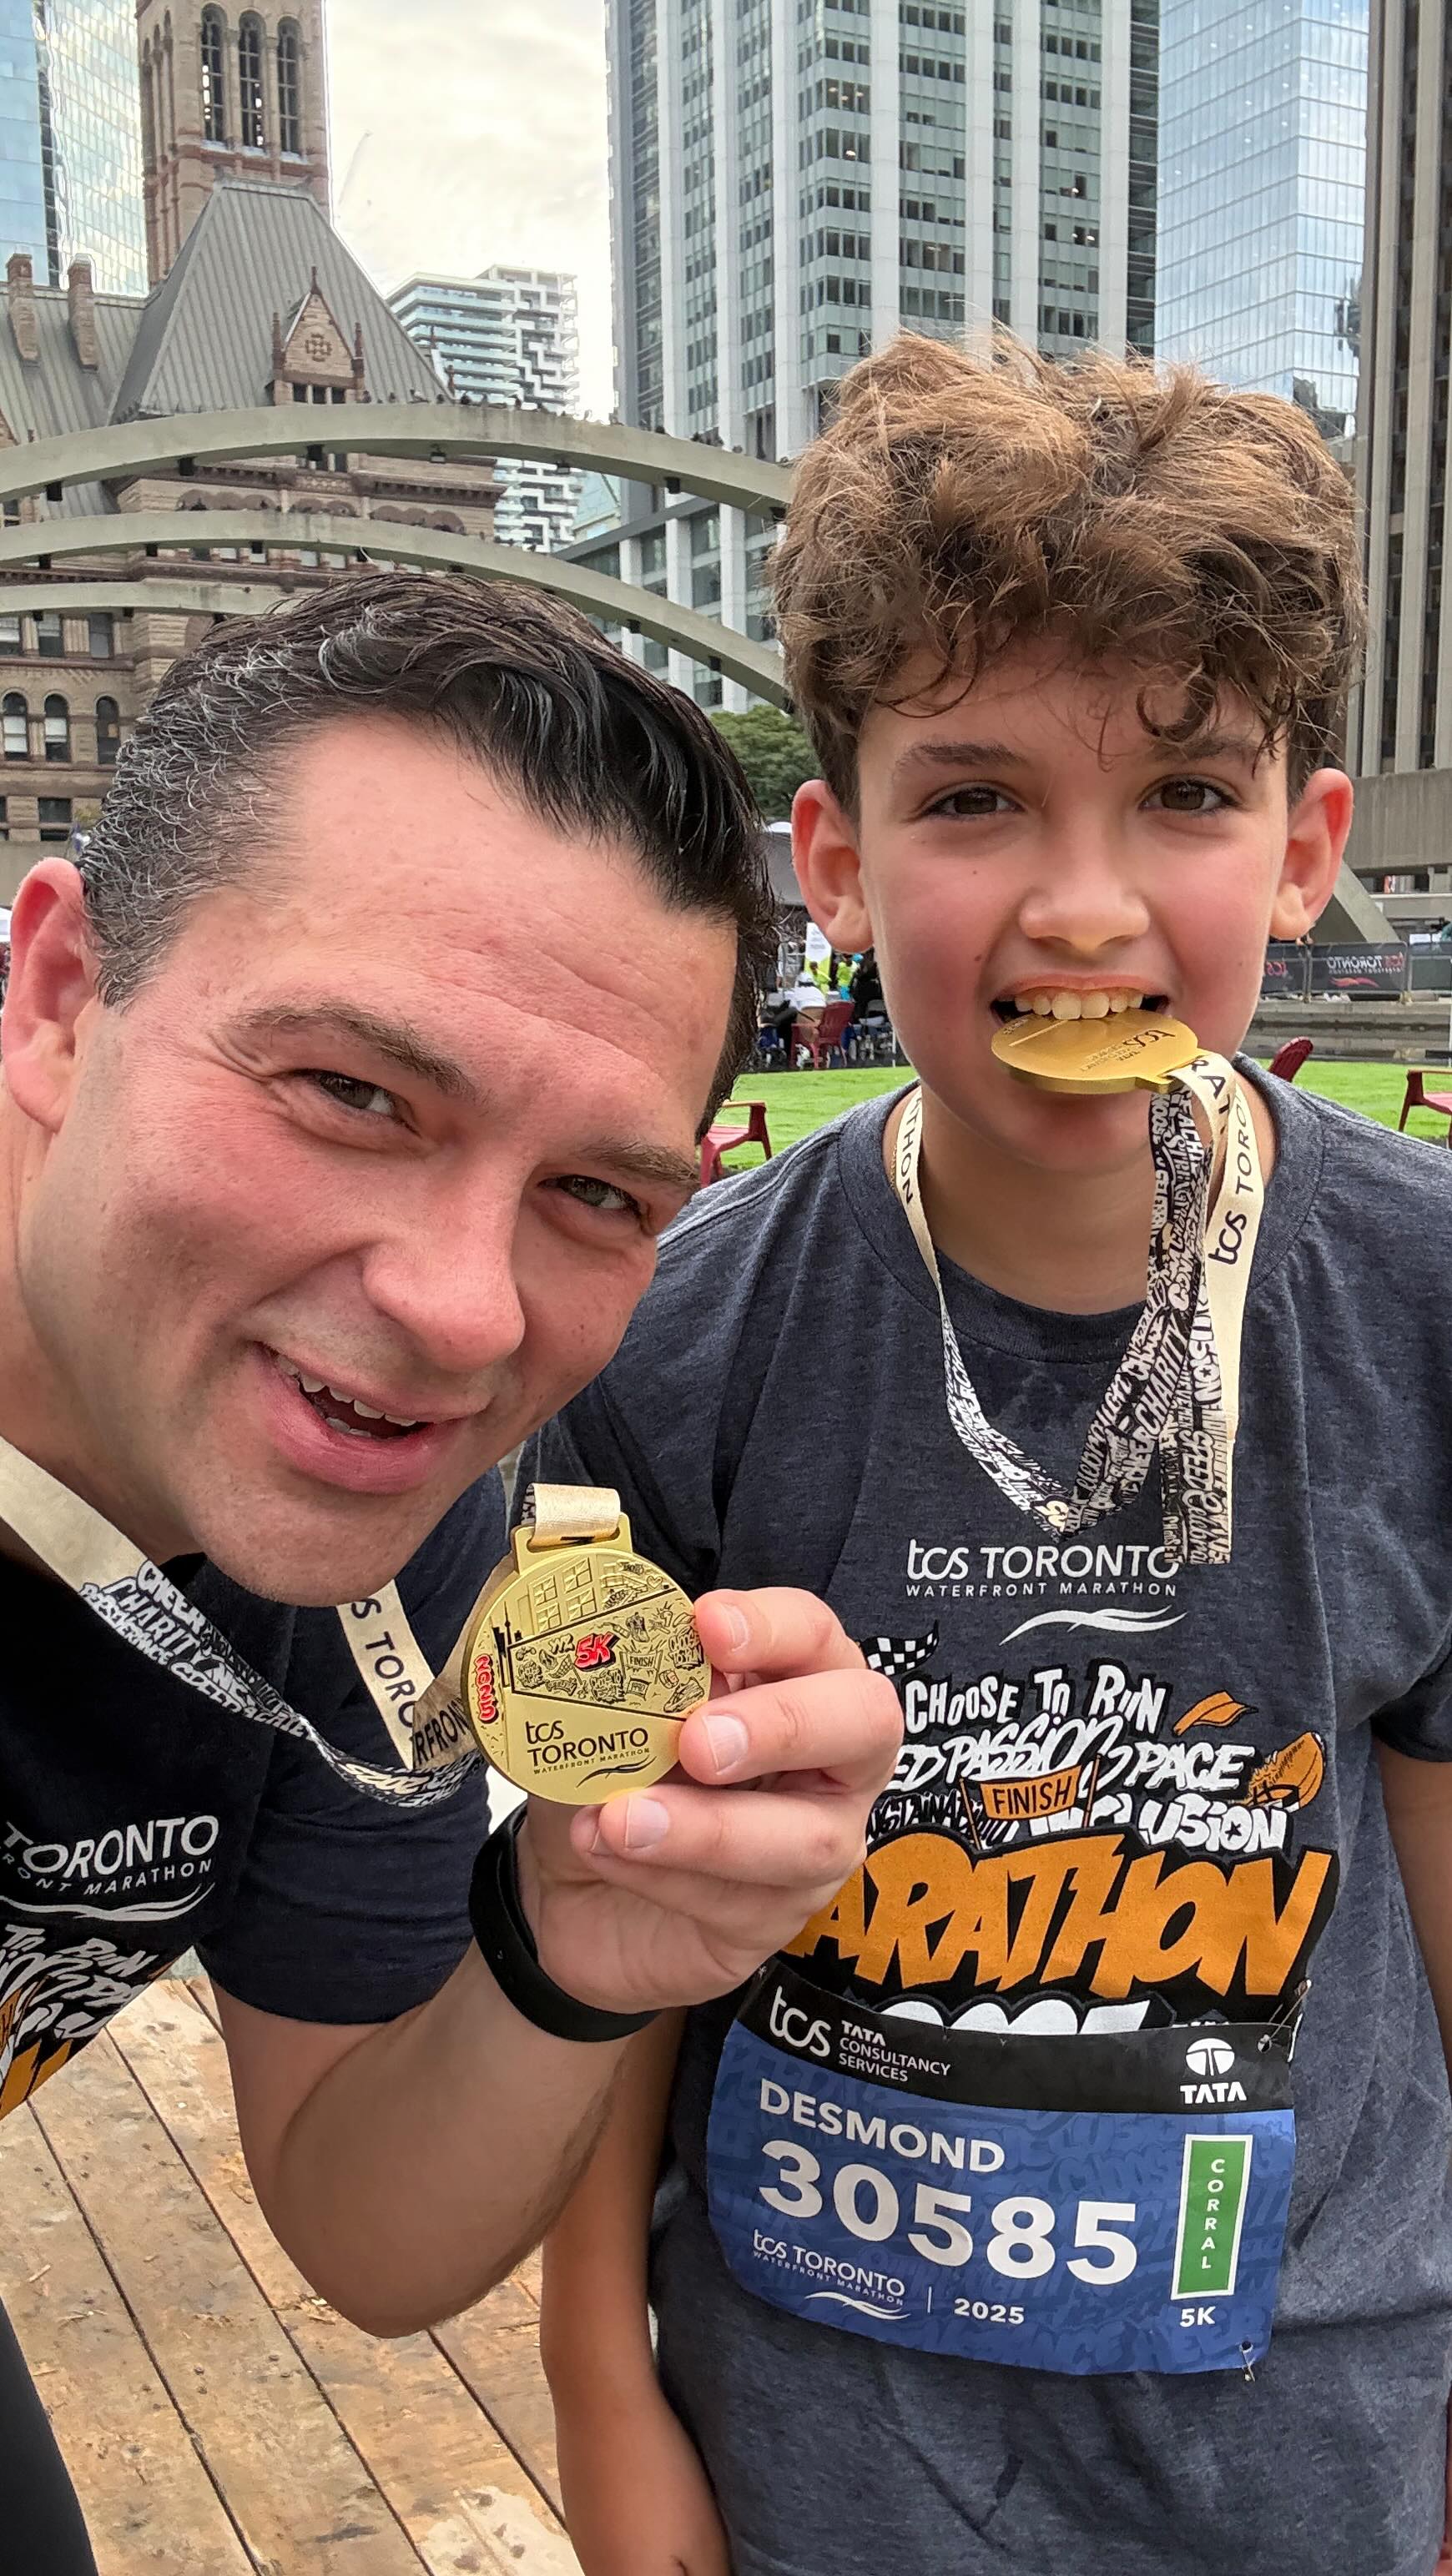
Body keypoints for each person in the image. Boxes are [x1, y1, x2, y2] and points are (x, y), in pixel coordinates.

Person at [528, 335, 1452, 2576]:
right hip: (825, 2442)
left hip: (1310, 2436)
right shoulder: (668, 1346)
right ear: (829, 857)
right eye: (972, 800)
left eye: (1183, 797)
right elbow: (602, 1915)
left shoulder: (1422, 1305)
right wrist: (600, 2391)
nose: (1078, 902)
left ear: (1304, 846)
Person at [0, 569, 901, 2571]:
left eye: (595, 1192)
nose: (459, 1311)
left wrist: (572, 1947)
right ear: (62, 998)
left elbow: (364, 2225)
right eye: (351, 1093)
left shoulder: (399, 1558)